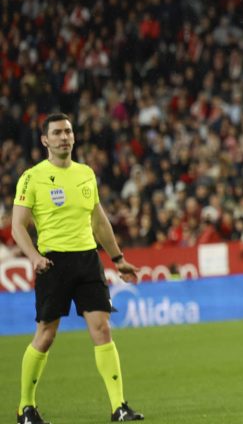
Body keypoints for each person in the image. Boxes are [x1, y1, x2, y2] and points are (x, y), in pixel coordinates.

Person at [11, 113, 144, 423]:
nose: (64, 137)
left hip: (87, 260)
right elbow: (18, 226)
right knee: (46, 335)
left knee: (102, 329)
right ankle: (26, 408)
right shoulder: (32, 177)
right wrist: (34, 257)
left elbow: (99, 220)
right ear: (45, 140)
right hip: (53, 263)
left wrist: (118, 258)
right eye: (57, 132)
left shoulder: (85, 173)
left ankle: (119, 407)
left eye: (68, 132)